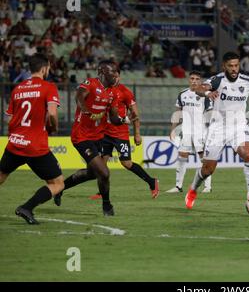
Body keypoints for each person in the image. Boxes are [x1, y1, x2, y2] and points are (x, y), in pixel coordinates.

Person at [184, 52, 249, 209]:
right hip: (218, 128)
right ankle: (193, 189)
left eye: (236, 65)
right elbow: (199, 89)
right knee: (208, 170)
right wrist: (209, 93)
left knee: (248, 154)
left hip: (239, 126)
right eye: (230, 66)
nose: (234, 69)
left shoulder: (248, 81)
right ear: (224, 66)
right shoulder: (217, 80)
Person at [53, 60, 125, 216]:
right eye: (113, 72)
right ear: (102, 72)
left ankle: (59, 188)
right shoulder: (90, 83)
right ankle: (107, 206)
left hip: (99, 136)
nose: (116, 75)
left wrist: (123, 120)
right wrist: (86, 110)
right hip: (82, 136)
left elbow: (113, 117)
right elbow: (79, 97)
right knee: (104, 173)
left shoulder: (112, 92)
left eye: (117, 72)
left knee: (92, 173)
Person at [0, 53, 64, 224]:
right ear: (44, 68)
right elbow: (52, 113)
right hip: (35, 147)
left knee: (1, 176)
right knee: (58, 183)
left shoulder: (18, 88)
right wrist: (54, 127)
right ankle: (27, 207)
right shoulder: (48, 87)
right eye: (48, 68)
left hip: (15, 143)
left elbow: (8, 119)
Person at [89, 72, 159, 200]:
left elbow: (135, 113)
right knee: (102, 166)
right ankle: (102, 192)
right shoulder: (105, 90)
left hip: (120, 135)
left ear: (120, 77)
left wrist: (137, 133)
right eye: (112, 76)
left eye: (116, 76)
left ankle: (151, 181)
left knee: (126, 163)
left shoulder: (125, 92)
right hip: (105, 134)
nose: (114, 79)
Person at [166, 71, 212, 194]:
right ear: (188, 80)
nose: (194, 81)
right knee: (182, 156)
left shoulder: (205, 96)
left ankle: (207, 186)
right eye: (192, 78)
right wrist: (173, 130)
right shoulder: (182, 94)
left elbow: (210, 114)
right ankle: (178, 186)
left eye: (197, 78)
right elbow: (177, 113)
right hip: (186, 131)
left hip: (200, 131)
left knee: (203, 158)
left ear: (200, 81)